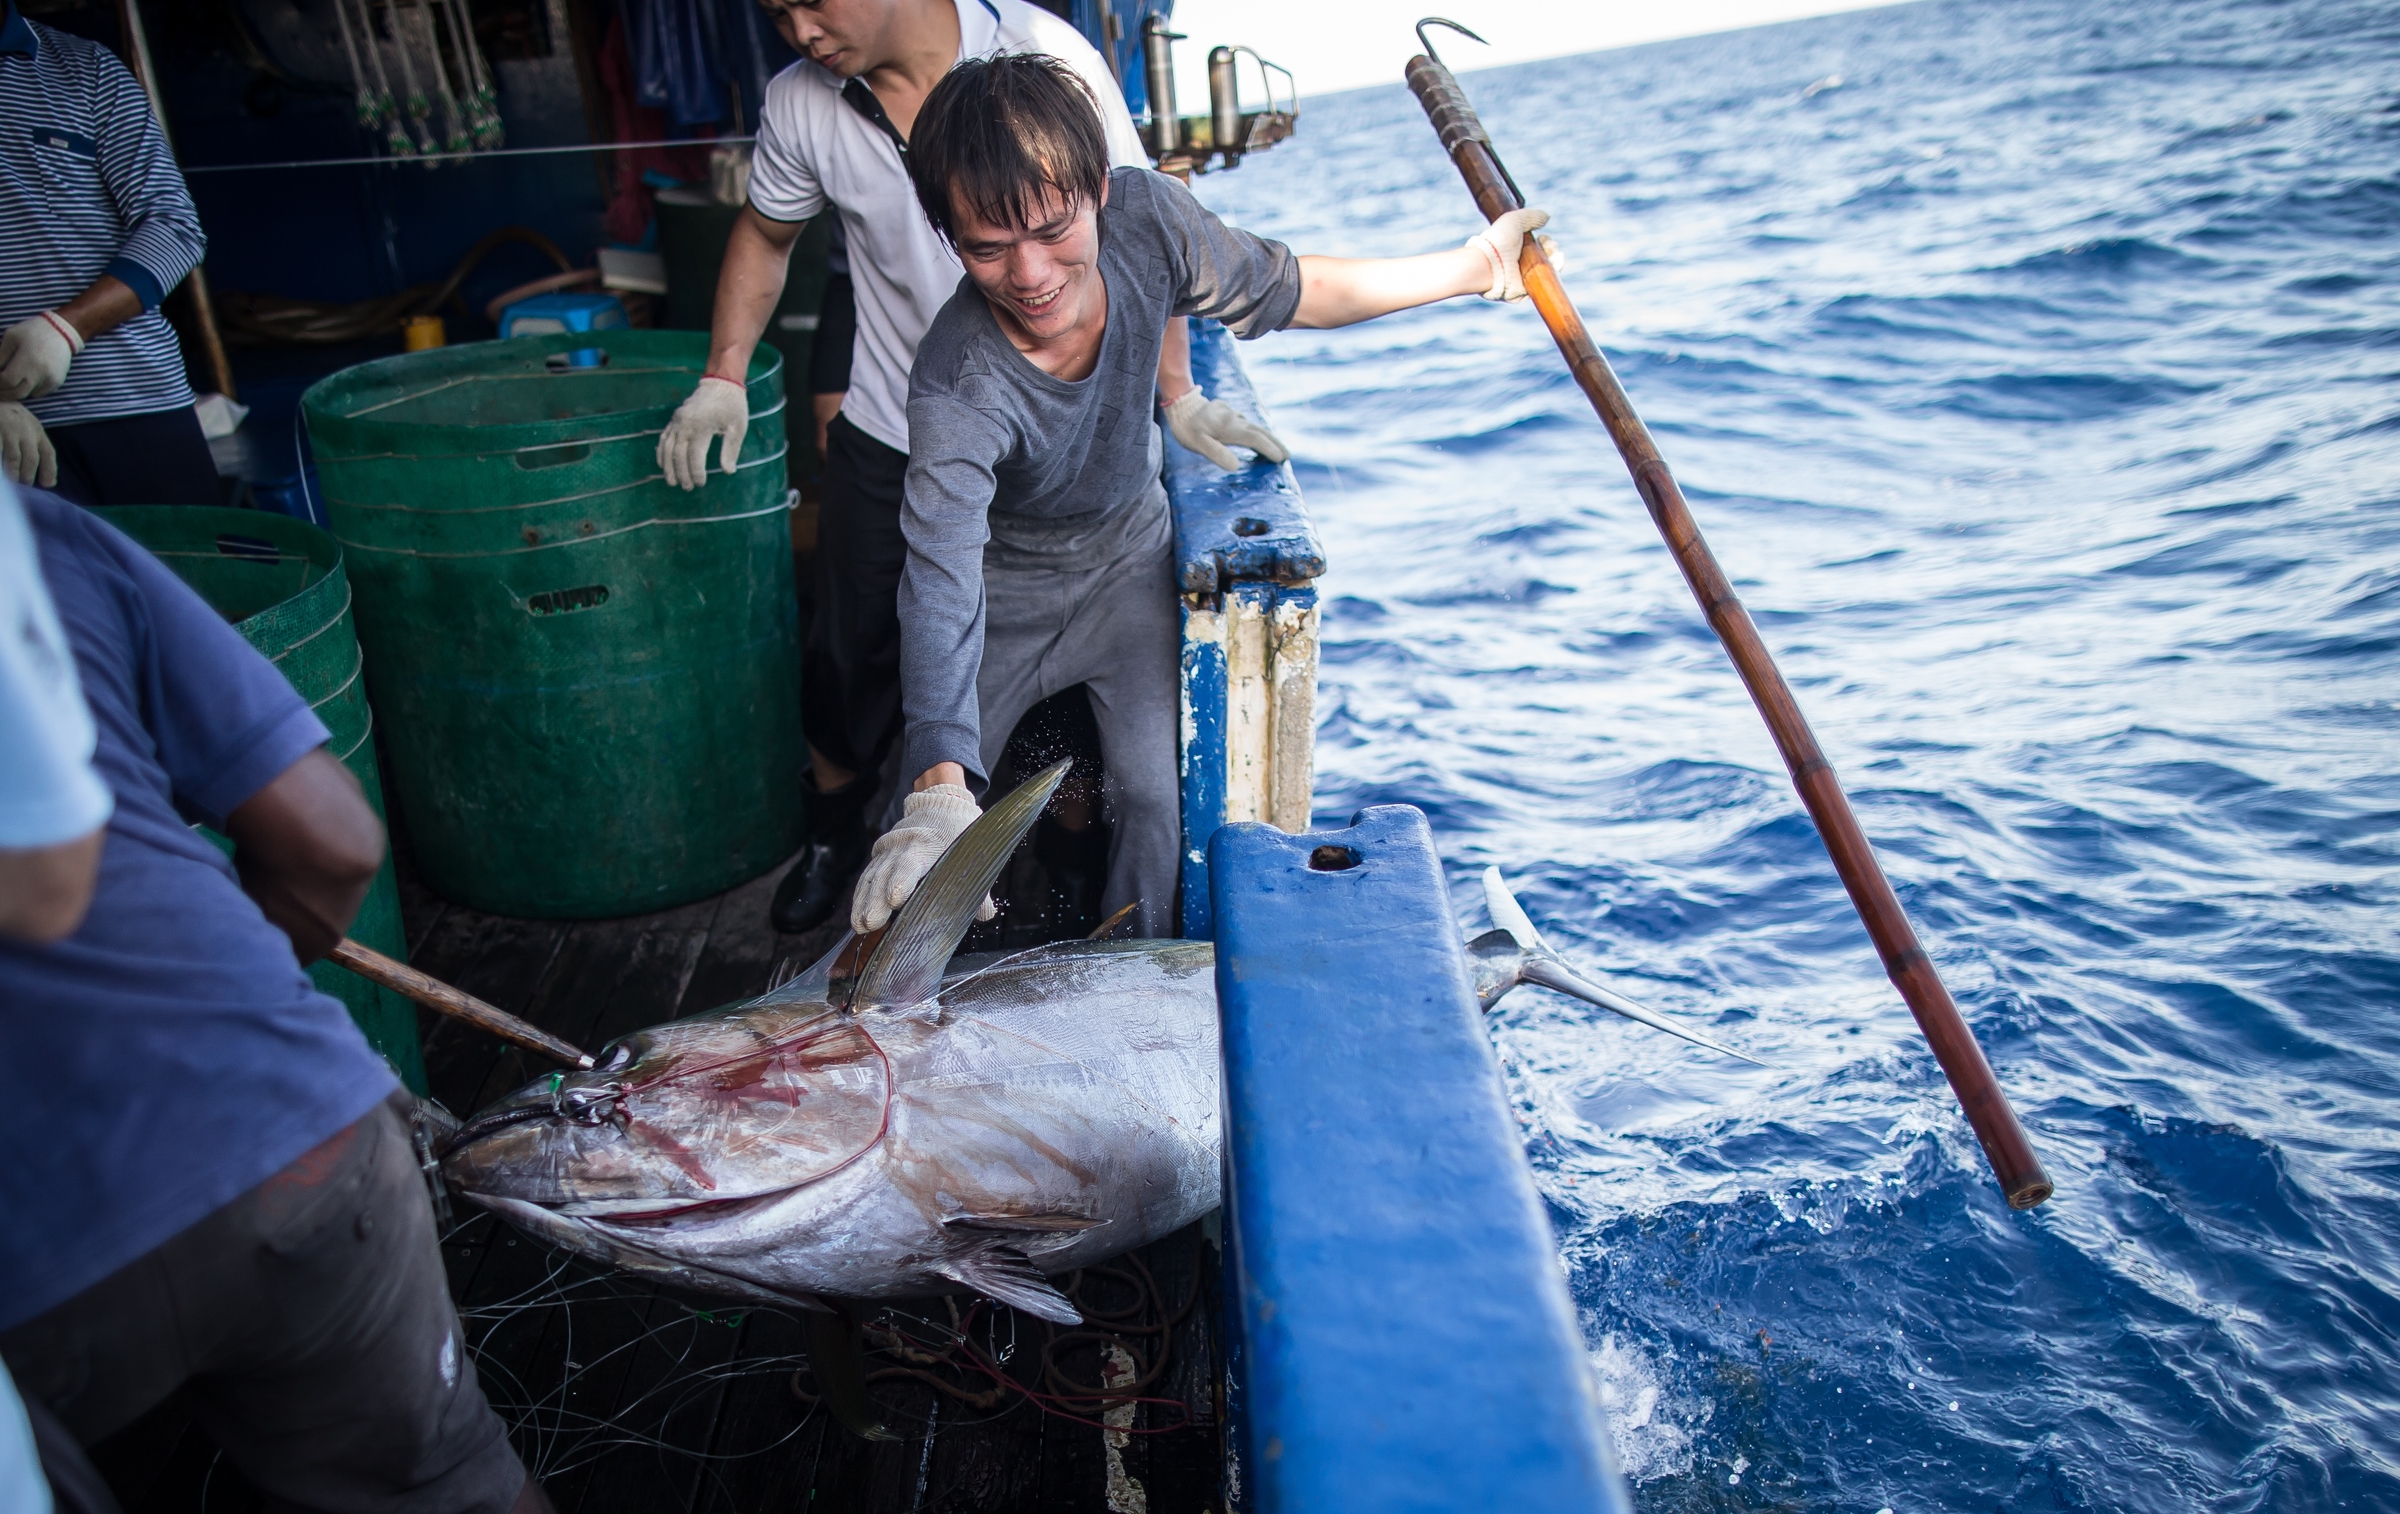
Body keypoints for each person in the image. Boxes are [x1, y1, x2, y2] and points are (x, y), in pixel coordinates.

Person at [849, 54, 1555, 937]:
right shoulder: (955, 380)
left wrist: (1470, 267)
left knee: (1159, 799)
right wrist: (939, 788)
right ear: (949, 237)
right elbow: (943, 577)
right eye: (989, 249)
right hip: (1005, 593)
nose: (1031, 274)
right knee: (919, 839)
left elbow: (1291, 288)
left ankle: (1135, 981)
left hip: (1128, 559)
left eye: (1053, 228)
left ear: (1099, 188)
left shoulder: (1151, 221)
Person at [654, 0, 1287, 934]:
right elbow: (766, 234)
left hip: (1032, 438)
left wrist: (1175, 390)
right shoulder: (799, 103)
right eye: (776, 11)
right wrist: (722, 376)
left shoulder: (1042, 51)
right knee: (853, 654)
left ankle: (1074, 885)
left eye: (808, 1)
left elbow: (1126, 228)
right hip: (896, 420)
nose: (795, 27)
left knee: (1074, 725)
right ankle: (843, 835)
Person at [0, 488, 548, 1514]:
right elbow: (332, 841)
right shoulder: (43, 532)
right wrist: (224, 1009)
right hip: (297, 1137)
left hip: (39, 1268)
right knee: (454, 1486)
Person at [0, 3, 217, 508]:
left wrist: (67, 329)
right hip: (12, 435)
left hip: (140, 404)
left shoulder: (87, 69)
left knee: (188, 580)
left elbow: (174, 227)